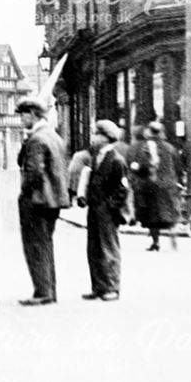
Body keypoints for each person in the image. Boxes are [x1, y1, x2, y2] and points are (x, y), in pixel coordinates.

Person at [16, 96, 70, 306]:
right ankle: (49, 290)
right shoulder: (54, 137)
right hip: (53, 201)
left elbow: (33, 171)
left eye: (23, 115)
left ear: (32, 114)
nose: (21, 119)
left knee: (35, 246)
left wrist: (25, 192)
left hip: (37, 201)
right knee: (45, 245)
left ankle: (42, 292)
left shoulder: (37, 139)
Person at [79, 119, 129, 302]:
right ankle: (98, 286)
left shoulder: (116, 160)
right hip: (94, 208)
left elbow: (122, 189)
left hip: (106, 211)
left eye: (96, 134)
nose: (93, 137)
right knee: (94, 248)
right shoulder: (96, 157)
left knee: (108, 248)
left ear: (106, 137)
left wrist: (110, 206)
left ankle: (112, 287)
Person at [128, 121, 180, 251]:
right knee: (170, 211)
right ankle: (173, 231)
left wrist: (136, 168)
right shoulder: (169, 147)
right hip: (168, 184)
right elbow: (178, 166)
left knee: (152, 215)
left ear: (149, 132)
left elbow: (143, 166)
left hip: (151, 184)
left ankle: (155, 242)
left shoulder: (145, 147)